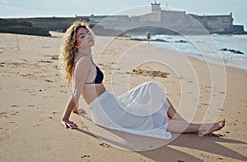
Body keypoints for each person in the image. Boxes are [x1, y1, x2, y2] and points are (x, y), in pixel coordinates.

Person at [60, 21, 225, 139]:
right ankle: (197, 127)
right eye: (82, 36)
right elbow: (77, 90)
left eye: (87, 32)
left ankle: (184, 123)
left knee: (150, 88)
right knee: (153, 119)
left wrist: (77, 109)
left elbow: (82, 87)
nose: (88, 35)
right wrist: (66, 117)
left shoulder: (85, 57)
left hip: (109, 104)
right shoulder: (83, 61)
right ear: (76, 44)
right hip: (108, 111)